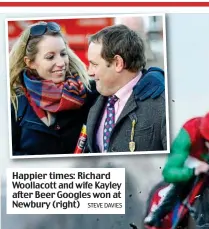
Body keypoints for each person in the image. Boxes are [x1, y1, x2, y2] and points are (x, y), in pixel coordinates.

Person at [9, 21, 164, 156]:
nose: (61, 62)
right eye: (50, 57)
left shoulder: (88, 91)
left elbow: (126, 79)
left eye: (63, 54)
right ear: (30, 62)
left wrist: (154, 76)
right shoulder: (14, 102)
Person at [85, 24, 166, 153]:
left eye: (94, 65)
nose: (89, 72)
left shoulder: (162, 103)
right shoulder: (94, 100)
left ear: (118, 63)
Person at [143, 110, 209, 228]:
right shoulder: (188, 133)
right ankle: (158, 214)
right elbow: (168, 173)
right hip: (190, 161)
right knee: (181, 182)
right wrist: (193, 171)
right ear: (205, 139)